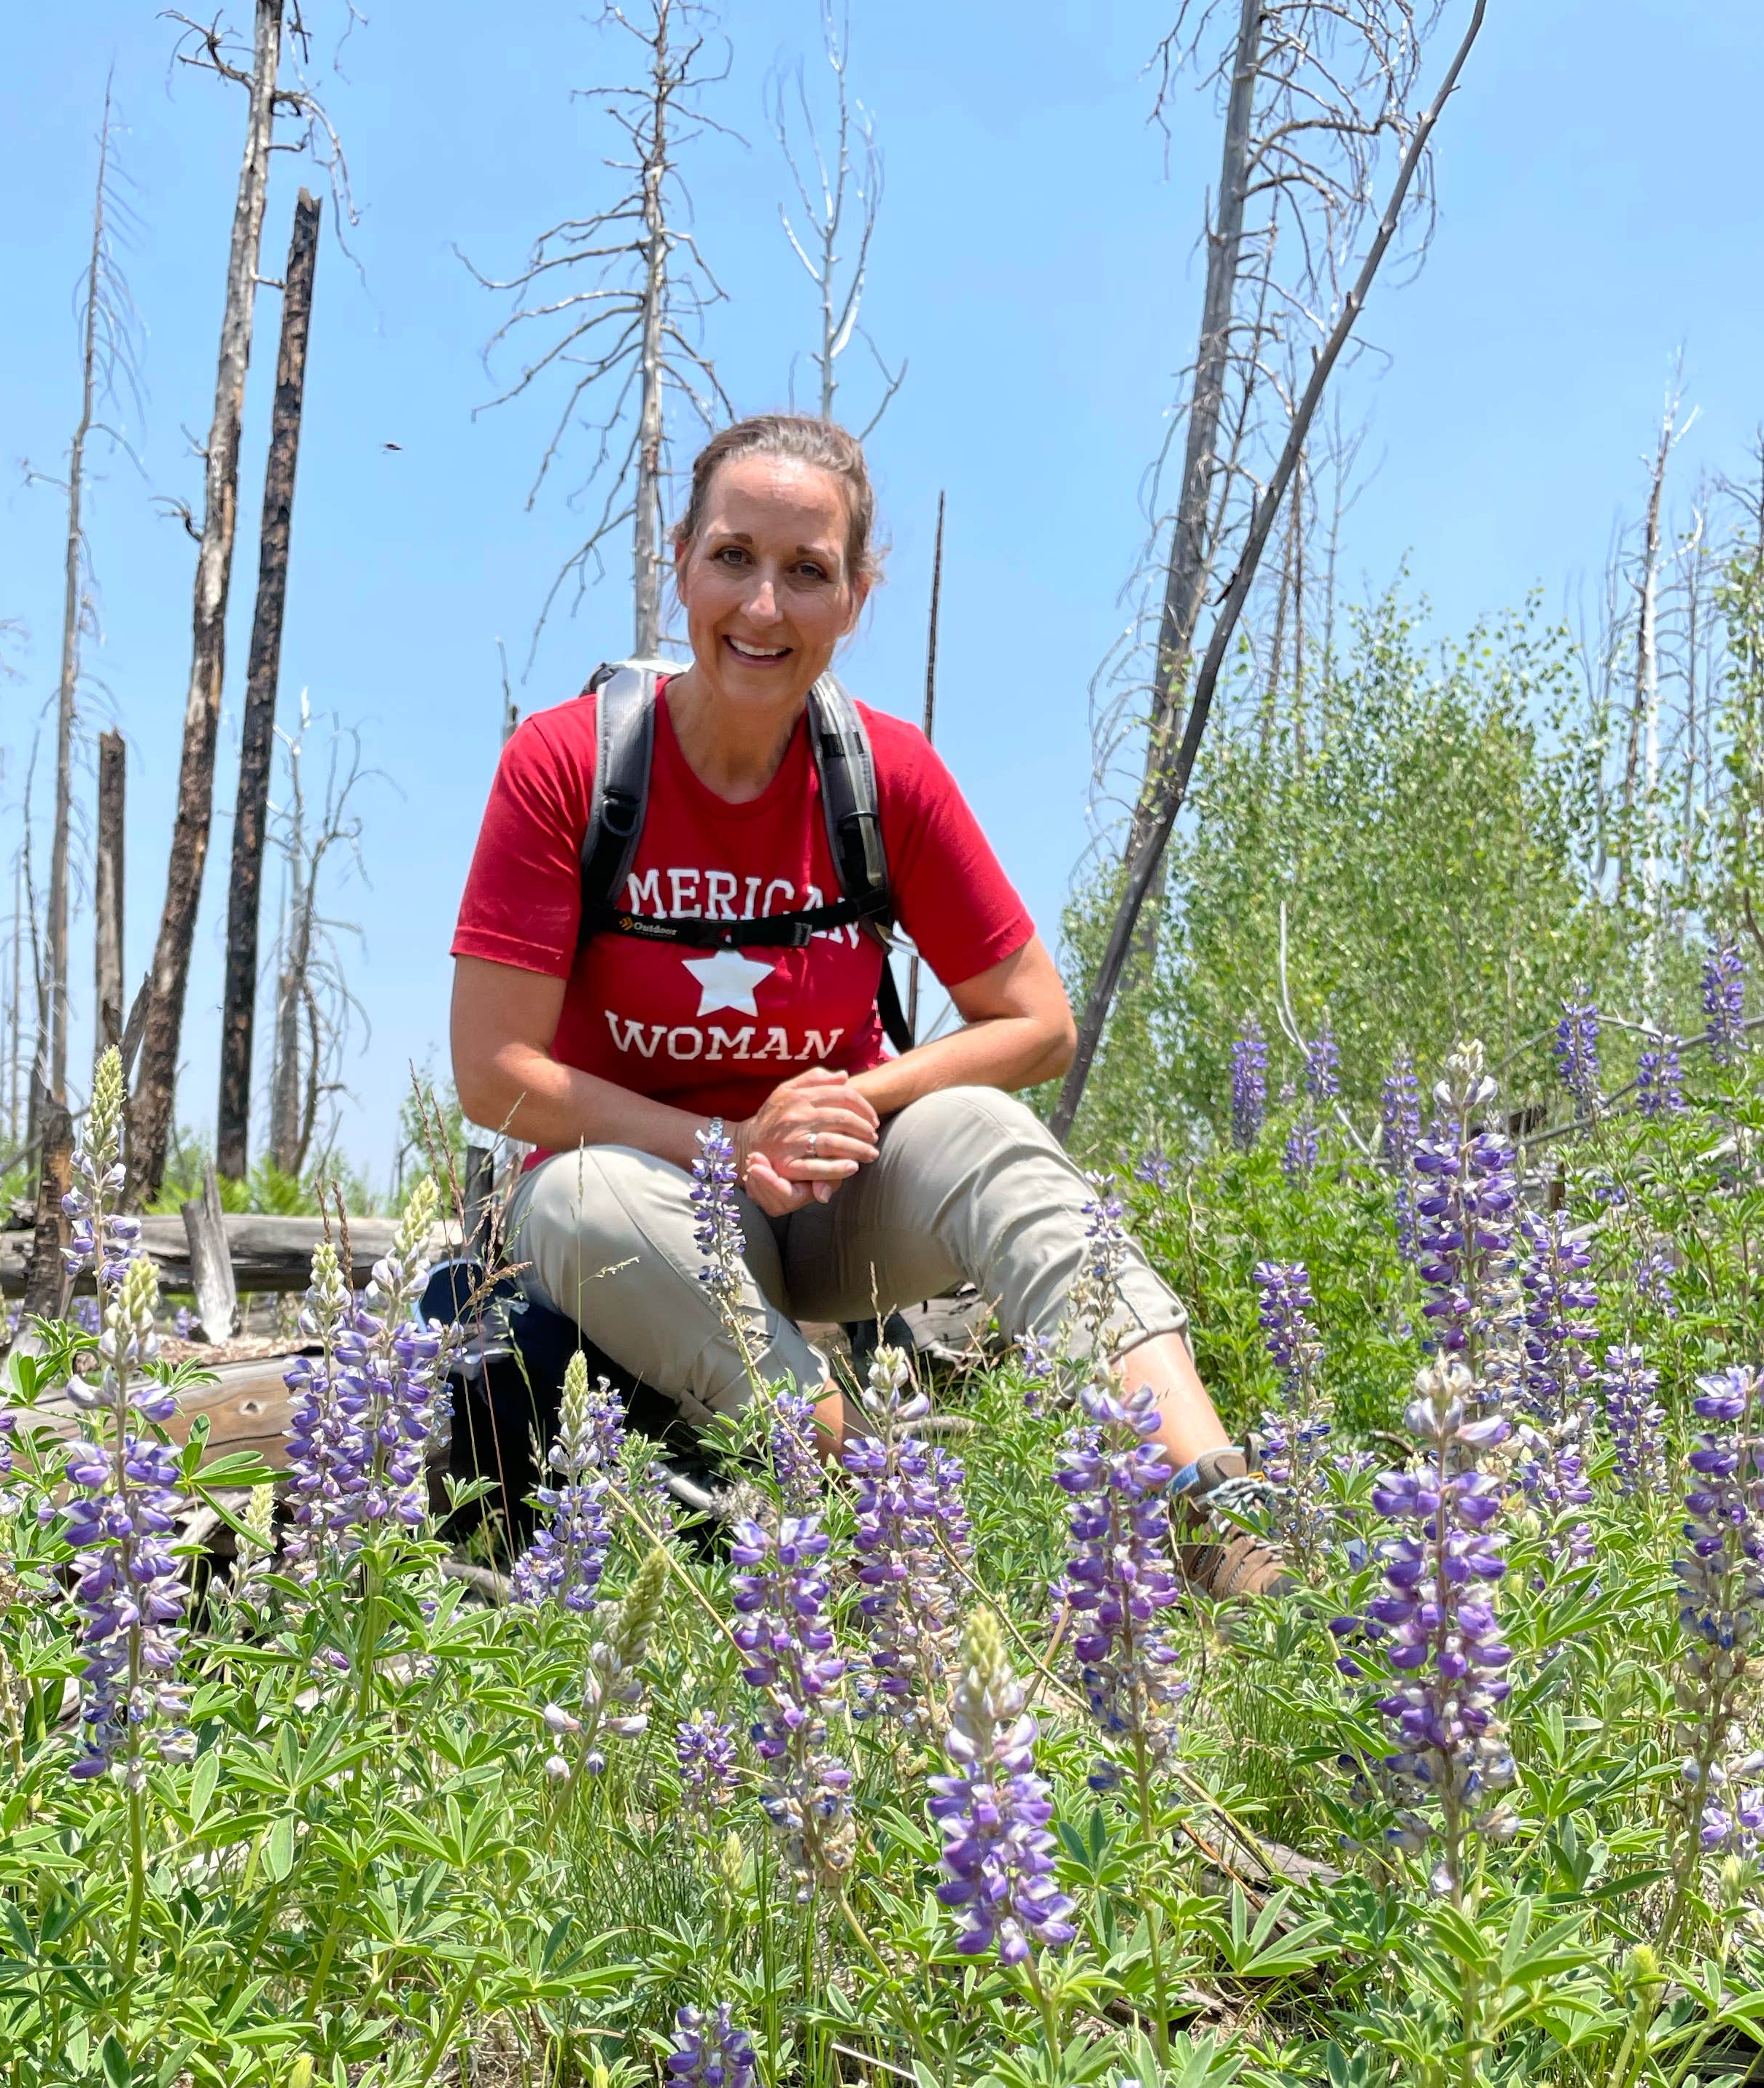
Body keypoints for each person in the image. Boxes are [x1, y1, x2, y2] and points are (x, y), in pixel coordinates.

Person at [448, 411, 1281, 1598]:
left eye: (808, 572)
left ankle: (1216, 1509)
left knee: (991, 1131)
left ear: (856, 594)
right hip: (649, 1208)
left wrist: (850, 1097)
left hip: (834, 1209)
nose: (764, 608)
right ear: (678, 556)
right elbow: (493, 1073)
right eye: (733, 557)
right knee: (576, 1193)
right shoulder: (568, 764)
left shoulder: (880, 773)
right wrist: (731, 1145)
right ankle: (863, 1504)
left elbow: (1038, 1022)